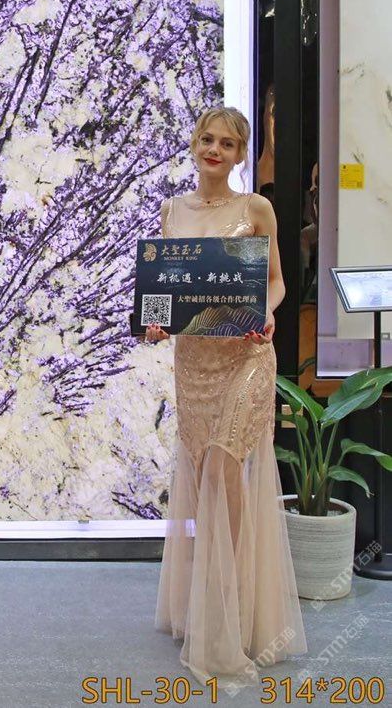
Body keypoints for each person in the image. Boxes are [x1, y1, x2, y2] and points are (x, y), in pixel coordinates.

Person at [149, 106, 306, 686]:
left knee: (225, 469)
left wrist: (266, 314)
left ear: (241, 155)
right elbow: (164, 287)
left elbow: (277, 281)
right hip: (194, 362)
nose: (215, 150)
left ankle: (234, 609)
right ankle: (211, 599)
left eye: (228, 144)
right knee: (200, 473)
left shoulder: (256, 208)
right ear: (195, 144)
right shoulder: (172, 211)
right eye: (207, 139)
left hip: (245, 358)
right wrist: (155, 322)